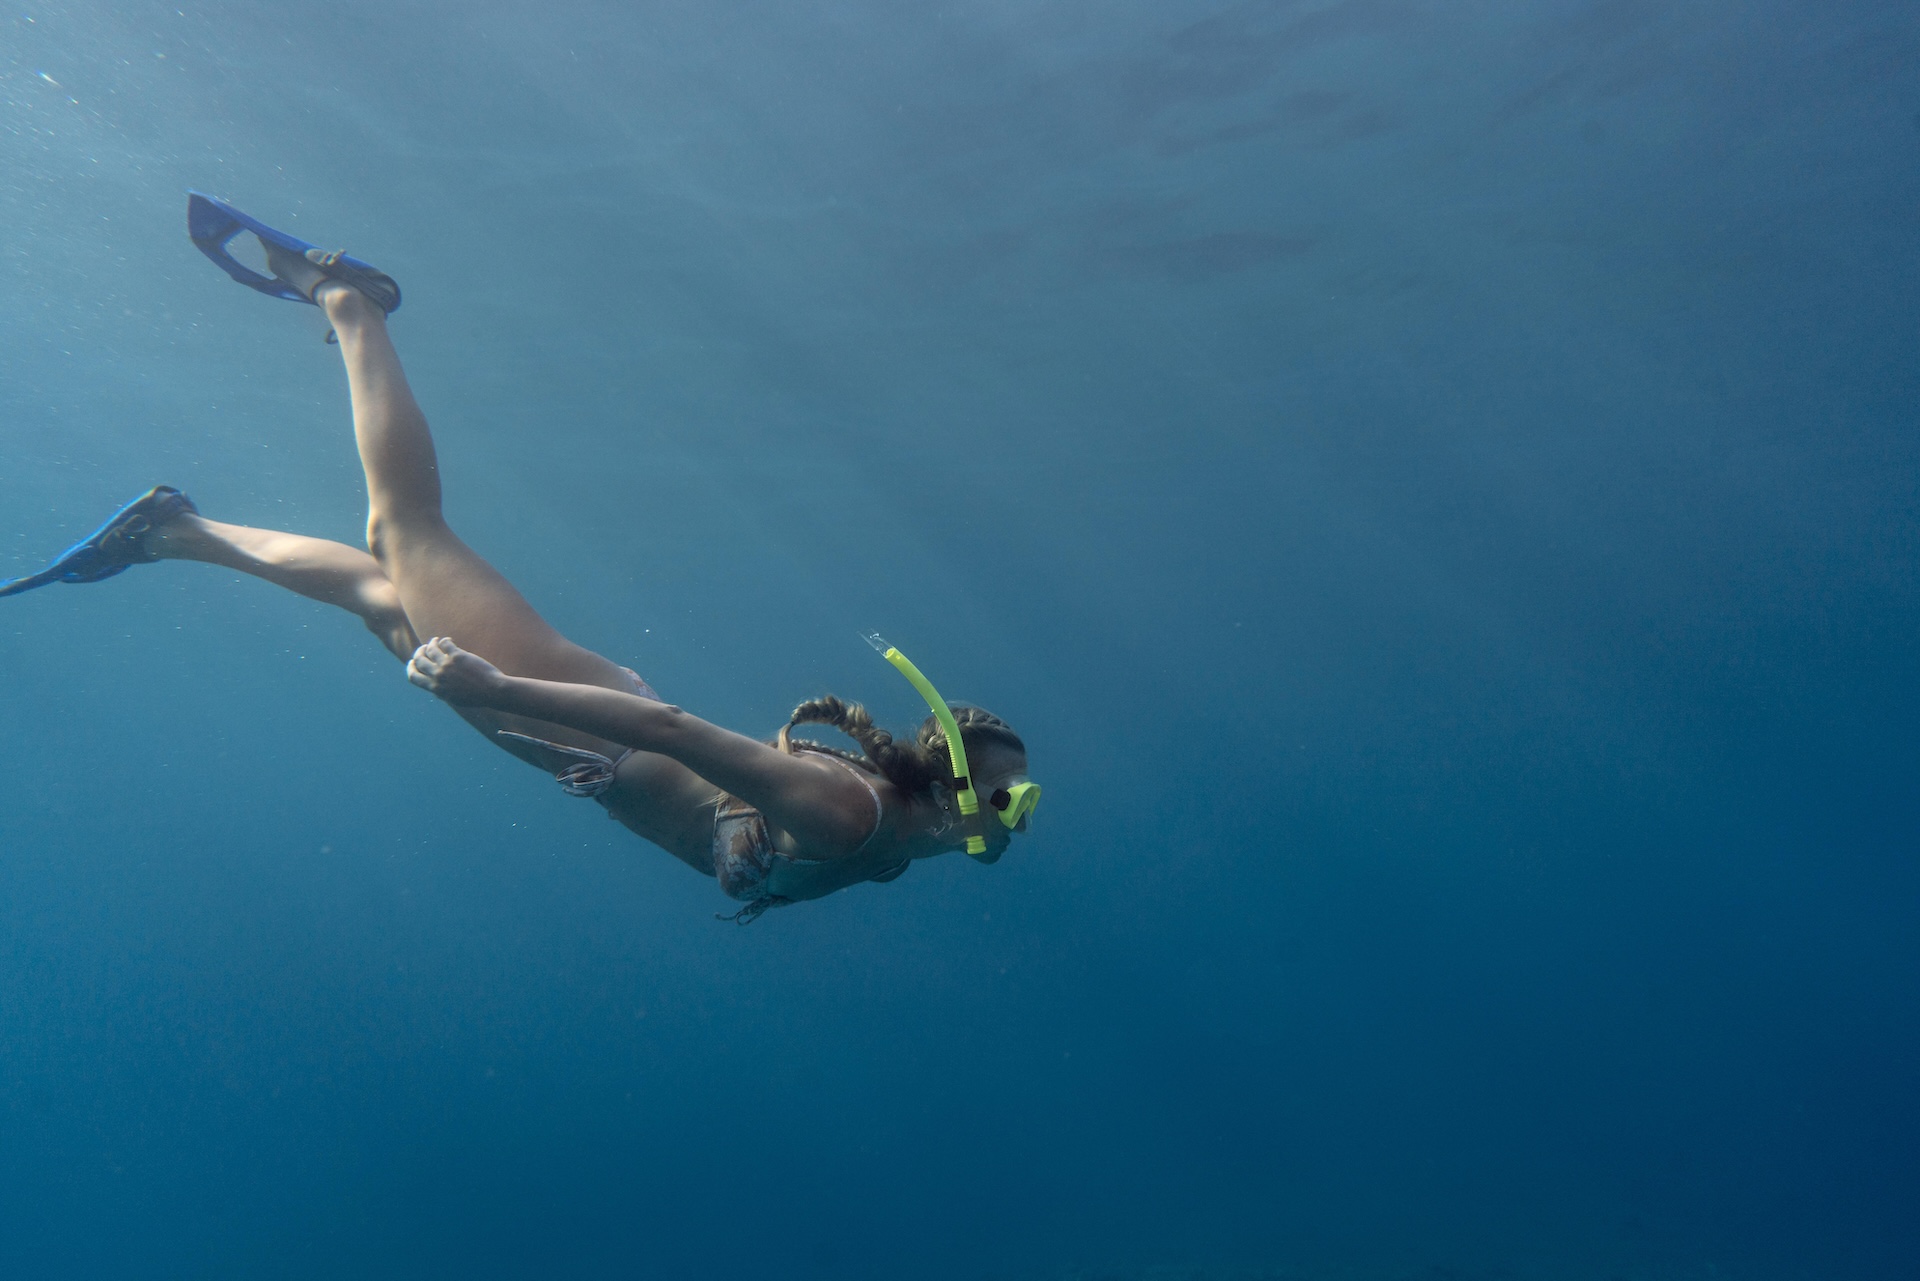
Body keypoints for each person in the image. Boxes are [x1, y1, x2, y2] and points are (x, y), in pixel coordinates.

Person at [1, 195, 1039, 923]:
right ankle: (348, 299)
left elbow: (728, 822)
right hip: (573, 713)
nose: (1016, 820)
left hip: (576, 740)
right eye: (1008, 800)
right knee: (407, 530)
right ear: (948, 787)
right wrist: (504, 685)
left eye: (1017, 802)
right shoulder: (849, 814)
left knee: (381, 594)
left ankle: (176, 531)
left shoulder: (896, 853)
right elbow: (675, 729)